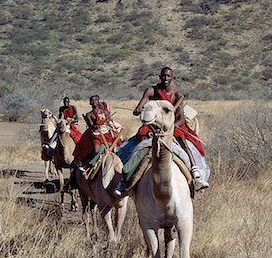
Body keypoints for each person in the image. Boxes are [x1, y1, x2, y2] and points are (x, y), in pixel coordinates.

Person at [114, 67, 209, 196]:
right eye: (163, 76)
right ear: (160, 77)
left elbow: (180, 119)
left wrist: (168, 126)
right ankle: (125, 179)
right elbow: (139, 107)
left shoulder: (177, 96)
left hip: (172, 126)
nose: (166, 79)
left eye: (168, 76)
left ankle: (195, 173)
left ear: (172, 78)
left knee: (183, 141)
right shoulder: (151, 91)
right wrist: (139, 110)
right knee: (143, 142)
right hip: (153, 125)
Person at [73, 95, 121, 172]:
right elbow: (91, 125)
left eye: (96, 100)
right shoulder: (89, 114)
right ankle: (85, 163)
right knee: (96, 150)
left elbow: (109, 122)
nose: (94, 102)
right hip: (97, 134)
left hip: (106, 133)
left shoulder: (105, 112)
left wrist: (112, 126)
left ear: (98, 101)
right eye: (93, 101)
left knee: (113, 148)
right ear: (90, 103)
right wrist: (95, 127)